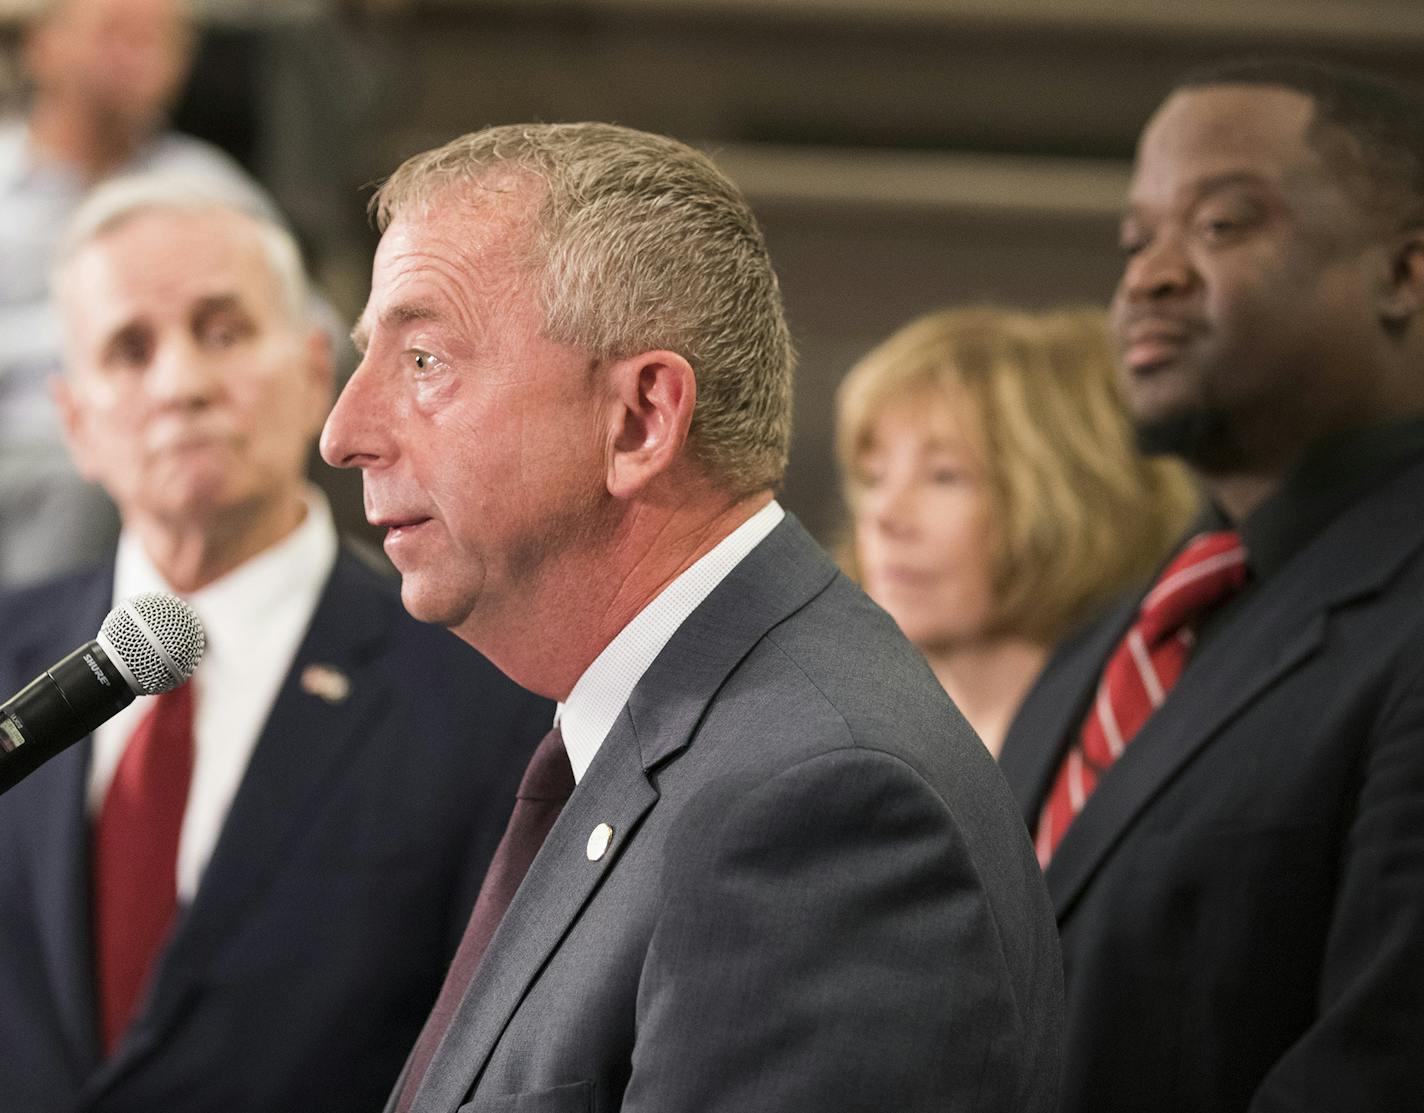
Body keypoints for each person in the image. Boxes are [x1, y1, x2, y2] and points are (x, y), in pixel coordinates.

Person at [319, 122, 1063, 1113]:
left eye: (421, 359)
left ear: (639, 419)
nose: (343, 432)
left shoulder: (814, 805)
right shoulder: (694, 735)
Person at [0, 177, 552, 1113]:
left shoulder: (484, 697)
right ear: (77, 422)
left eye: (222, 331)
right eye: (130, 349)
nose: (182, 383)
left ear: (311, 374)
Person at [997, 58, 1424, 1112]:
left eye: (1222, 225)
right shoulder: (1103, 648)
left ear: (1403, 276)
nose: (1149, 277)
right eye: (1135, 241)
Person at [0, 0, 287, 586]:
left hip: (123, 465)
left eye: (162, 40)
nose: (142, 60)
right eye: (116, 34)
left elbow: (311, 339)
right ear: (40, 46)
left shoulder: (210, 194)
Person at [837, 306, 1199, 756]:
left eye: (944, 476)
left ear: (1075, 496)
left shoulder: (1147, 740)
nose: (884, 515)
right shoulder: (848, 737)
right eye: (874, 477)